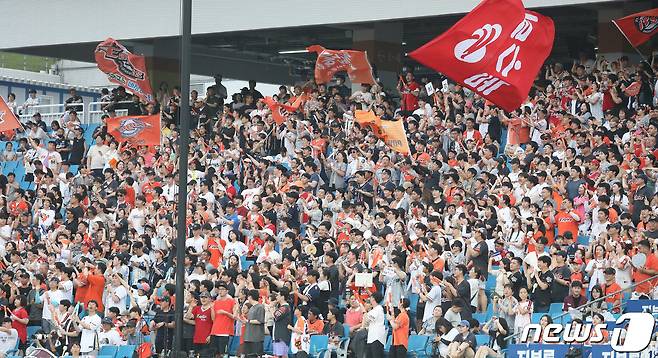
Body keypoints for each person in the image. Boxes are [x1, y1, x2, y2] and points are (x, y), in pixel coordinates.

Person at [243, 289, 265, 358]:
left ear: (250, 297)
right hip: (248, 337)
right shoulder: (252, 307)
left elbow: (260, 321)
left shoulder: (260, 307)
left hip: (256, 338)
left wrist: (248, 321)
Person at [365, 292, 386, 358]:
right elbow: (366, 322)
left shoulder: (378, 309)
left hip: (377, 338)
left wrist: (364, 311)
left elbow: (368, 319)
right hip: (371, 337)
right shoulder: (374, 310)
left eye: (370, 297)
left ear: (373, 299)